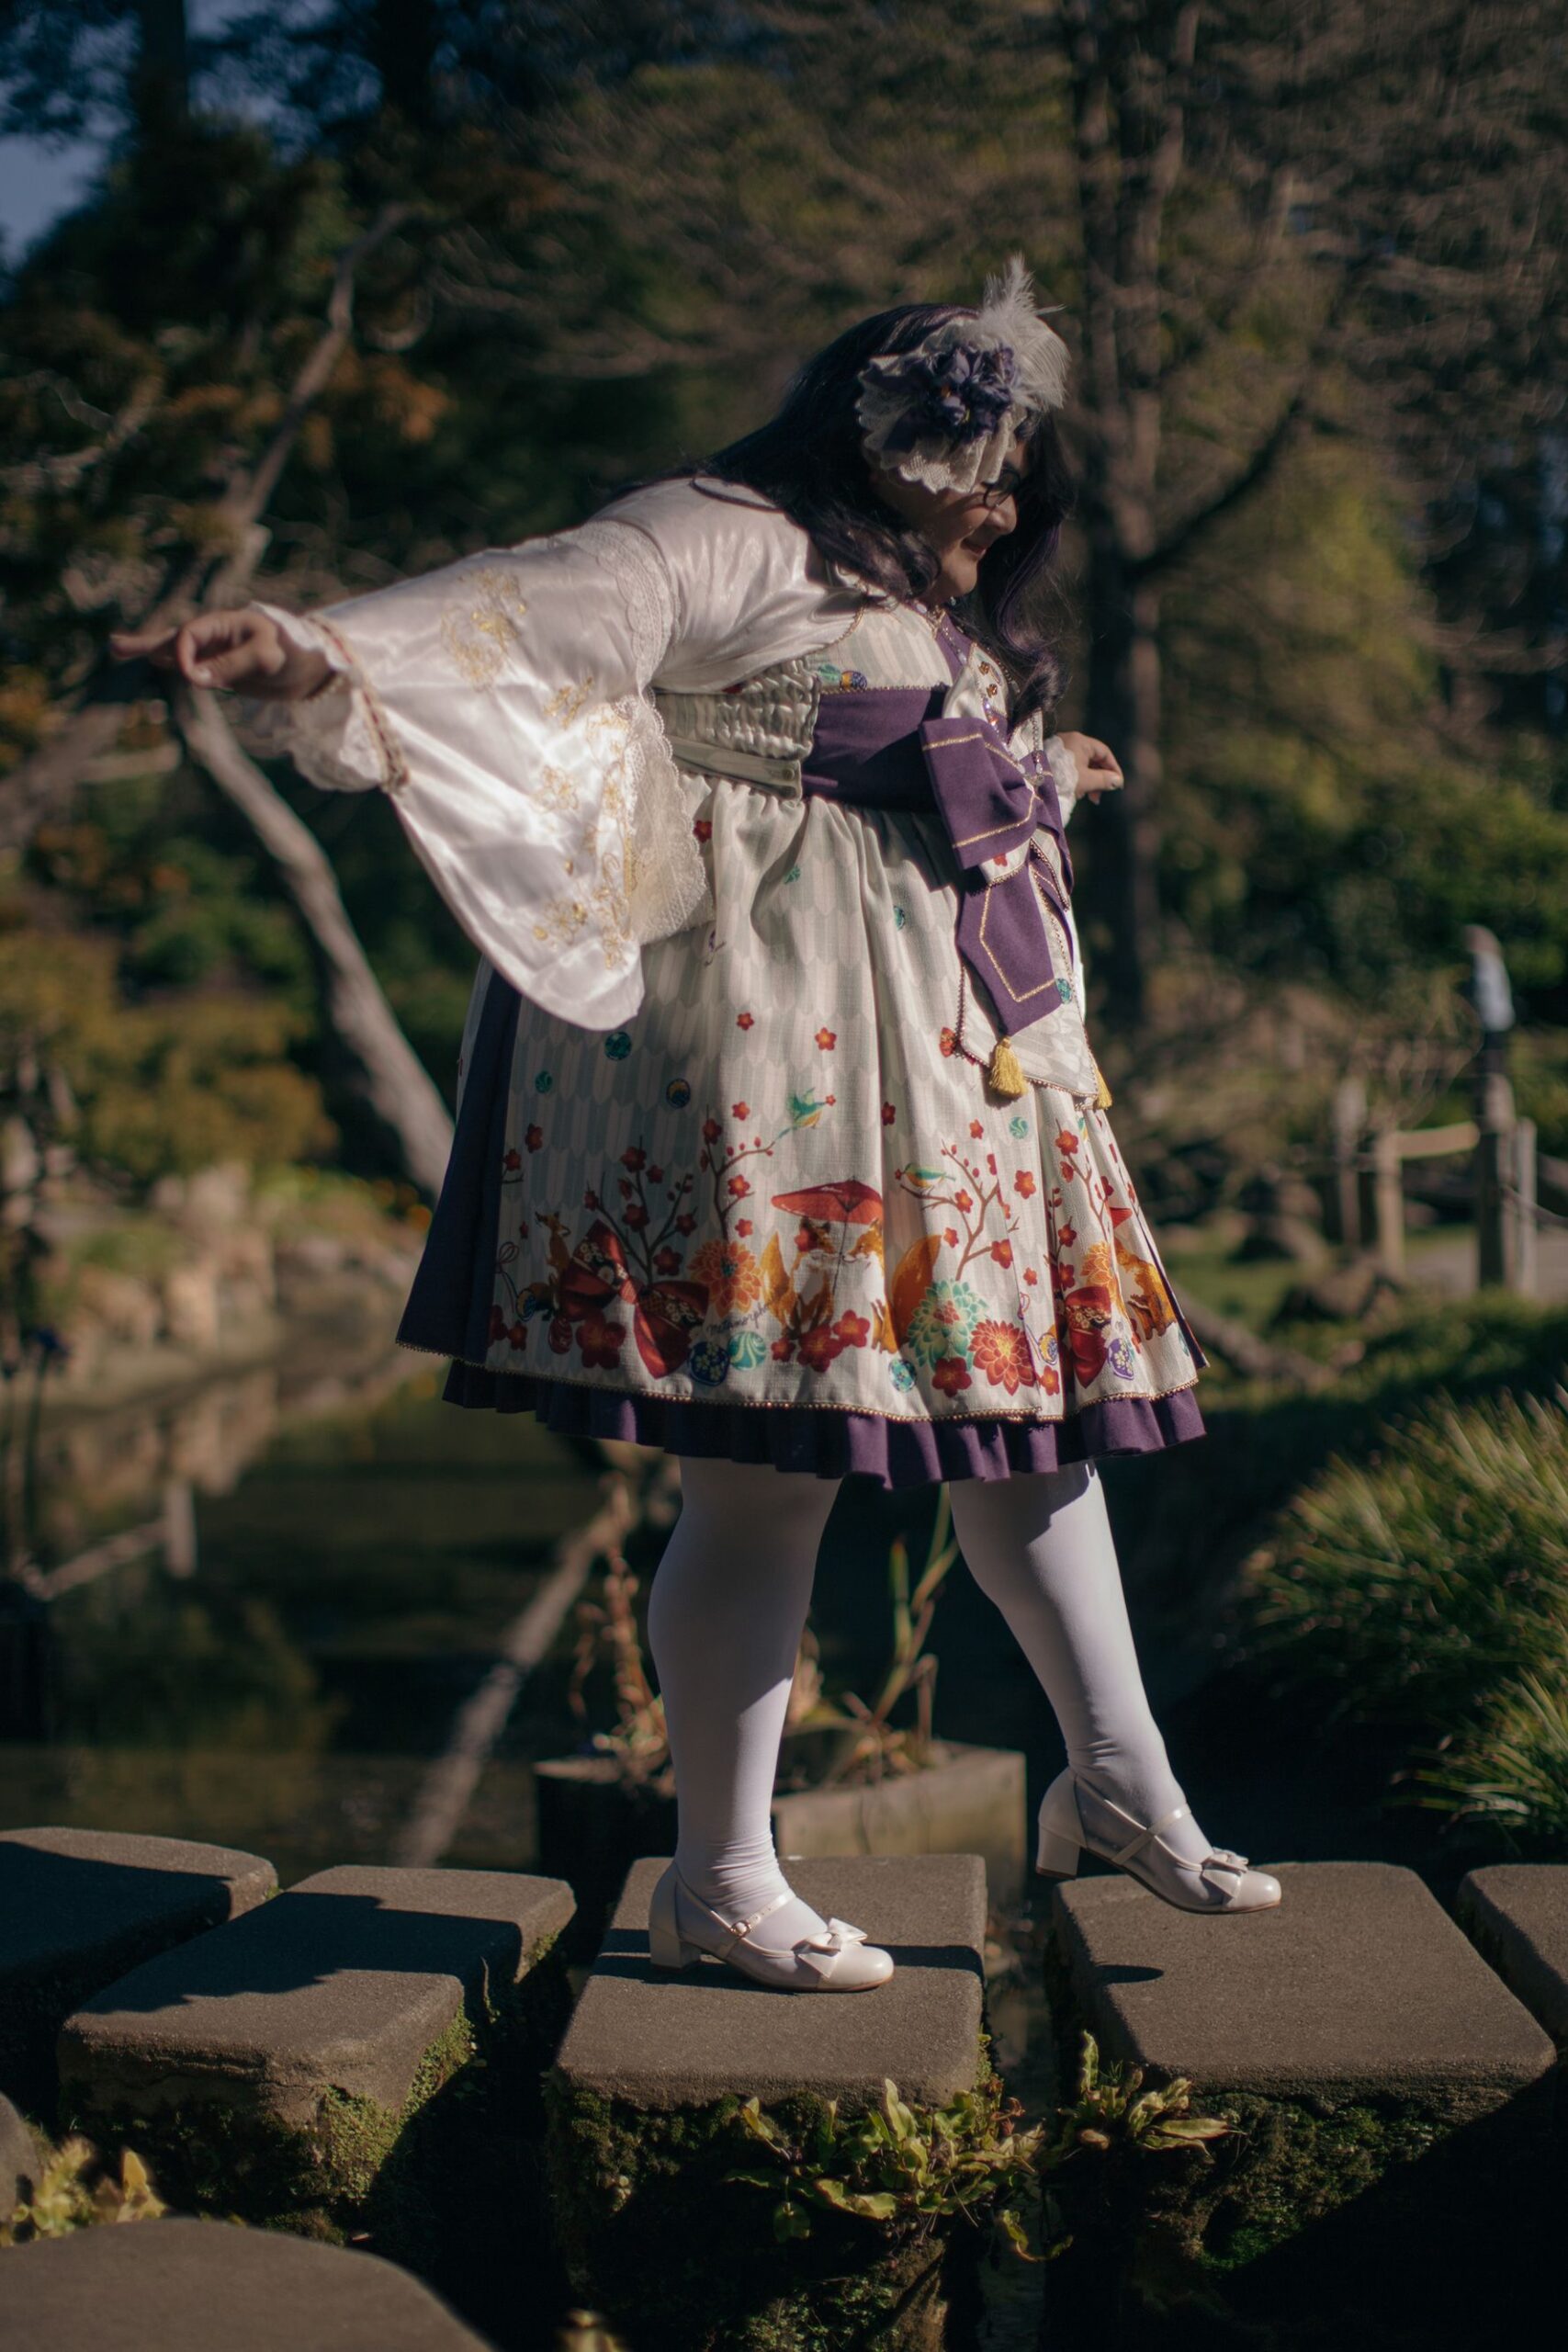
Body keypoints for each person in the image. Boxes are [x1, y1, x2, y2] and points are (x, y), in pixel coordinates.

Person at [114, 258, 1280, 1996]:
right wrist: (312, 648)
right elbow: (538, 607)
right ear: (870, 436)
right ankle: (720, 1871)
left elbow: (938, 750)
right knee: (767, 1483)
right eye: (970, 453)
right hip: (785, 1072)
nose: (1001, 491)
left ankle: (1122, 1779)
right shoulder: (733, 533)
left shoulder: (939, 605)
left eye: (1014, 464)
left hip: (967, 1069)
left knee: (1039, 1429)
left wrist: (1051, 763)